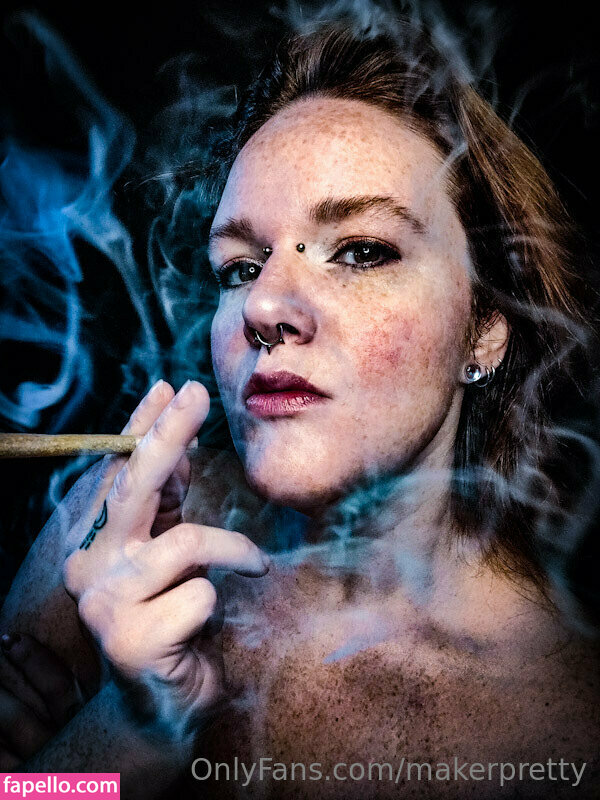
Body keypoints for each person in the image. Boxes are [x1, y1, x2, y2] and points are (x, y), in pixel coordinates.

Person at [1, 14, 599, 799]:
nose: (264, 305)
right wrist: (134, 731)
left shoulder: (574, 719)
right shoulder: (111, 543)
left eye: (361, 251)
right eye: (240, 267)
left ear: (484, 328)